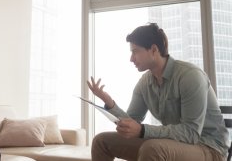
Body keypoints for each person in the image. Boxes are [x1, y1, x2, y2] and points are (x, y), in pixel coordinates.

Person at [87, 23, 229, 161]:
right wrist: (109, 103)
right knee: (101, 141)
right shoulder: (145, 83)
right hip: (174, 144)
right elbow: (132, 123)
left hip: (209, 148)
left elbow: (190, 134)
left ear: (154, 50)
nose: (131, 59)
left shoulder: (190, 76)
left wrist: (143, 130)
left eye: (135, 51)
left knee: (153, 149)